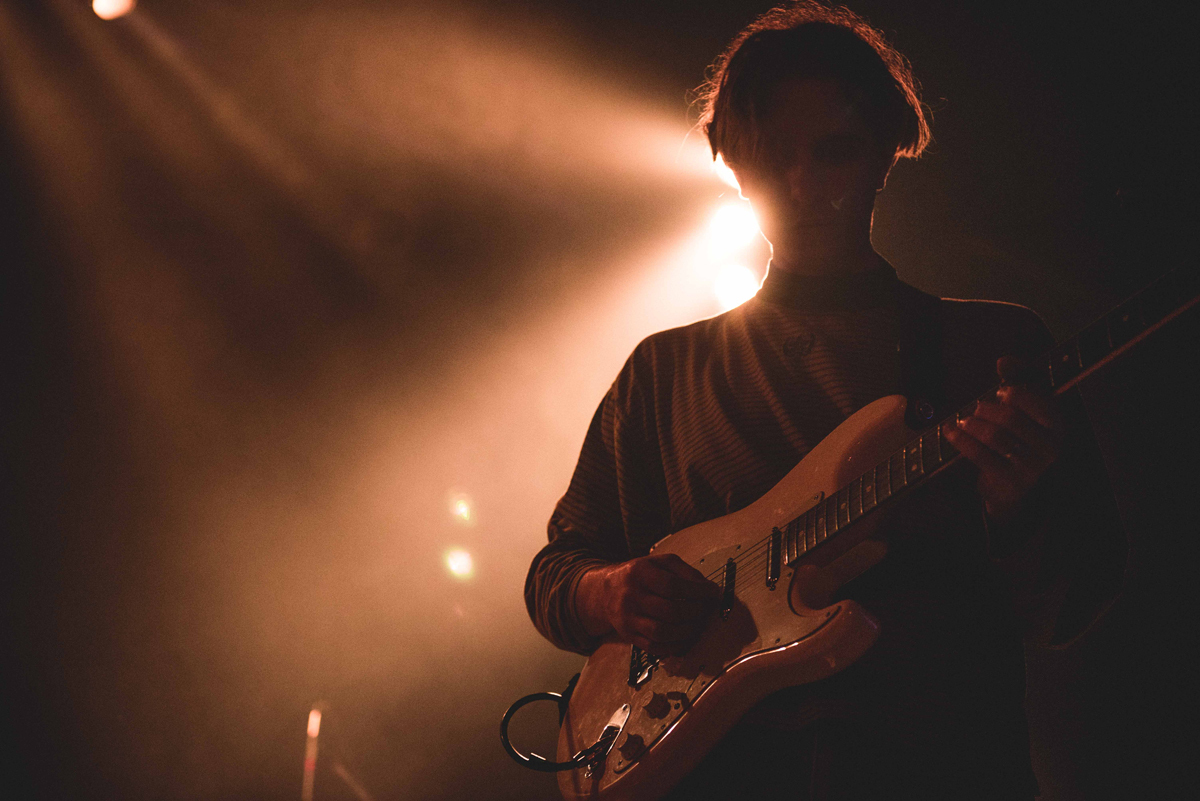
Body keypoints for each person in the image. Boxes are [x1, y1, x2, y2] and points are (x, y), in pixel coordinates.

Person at [525, 3, 1124, 798]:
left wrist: (1021, 509)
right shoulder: (663, 371)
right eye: (774, 156)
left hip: (939, 767)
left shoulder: (992, 351)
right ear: (731, 163)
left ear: (886, 154)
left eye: (835, 152)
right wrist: (611, 590)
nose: (804, 185)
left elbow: (1073, 609)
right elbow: (555, 572)